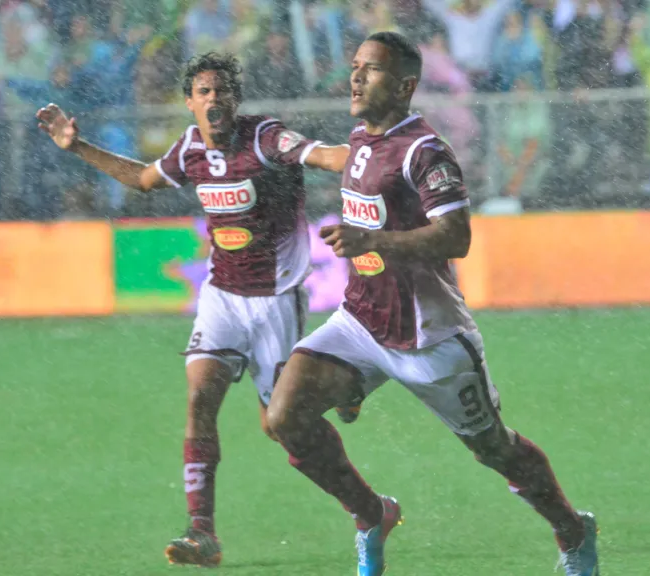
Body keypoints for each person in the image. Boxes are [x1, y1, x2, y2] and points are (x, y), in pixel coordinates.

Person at [265, 32, 601, 576]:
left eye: (370, 70)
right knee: (283, 416)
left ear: (404, 86)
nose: (355, 77)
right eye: (355, 66)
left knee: (494, 448)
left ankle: (571, 527)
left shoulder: (425, 152)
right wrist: (288, 149)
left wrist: (373, 241)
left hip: (431, 339)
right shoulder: (361, 138)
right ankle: (372, 515)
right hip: (360, 324)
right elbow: (342, 166)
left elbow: (456, 237)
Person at [35, 51, 353, 568]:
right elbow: (142, 180)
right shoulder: (188, 149)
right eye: (203, 92)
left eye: (221, 90)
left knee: (280, 426)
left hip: (275, 299)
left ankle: (343, 395)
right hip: (223, 295)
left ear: (236, 99)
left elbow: (323, 156)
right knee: (200, 396)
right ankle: (202, 532)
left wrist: (376, 153)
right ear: (189, 102)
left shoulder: (267, 139)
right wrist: (77, 147)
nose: (213, 99)